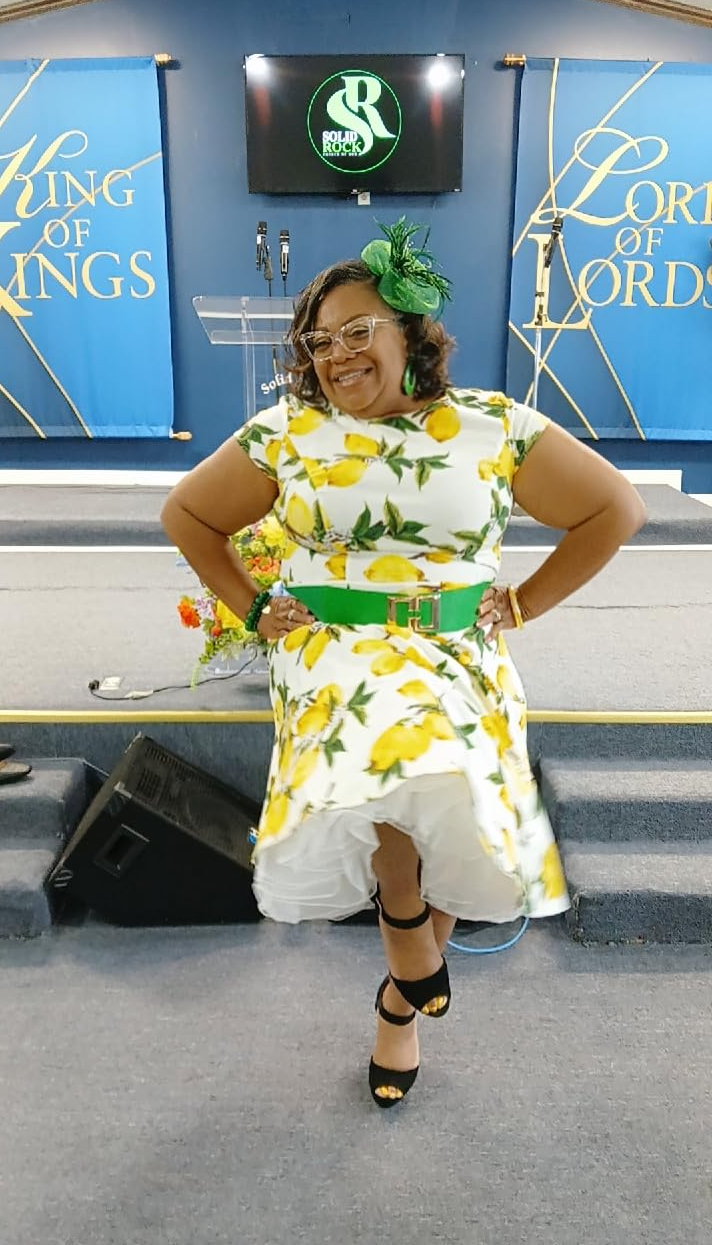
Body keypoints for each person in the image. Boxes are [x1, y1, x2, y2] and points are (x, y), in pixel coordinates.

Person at [161, 217, 646, 1108]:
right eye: (320, 341)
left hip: (457, 648)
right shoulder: (290, 432)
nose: (336, 355)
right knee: (397, 735)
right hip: (336, 654)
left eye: (357, 332)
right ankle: (398, 903)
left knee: (461, 798)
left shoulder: (490, 425)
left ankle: (398, 1006)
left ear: (410, 333)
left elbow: (615, 509)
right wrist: (256, 607)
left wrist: (527, 600)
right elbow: (188, 516)